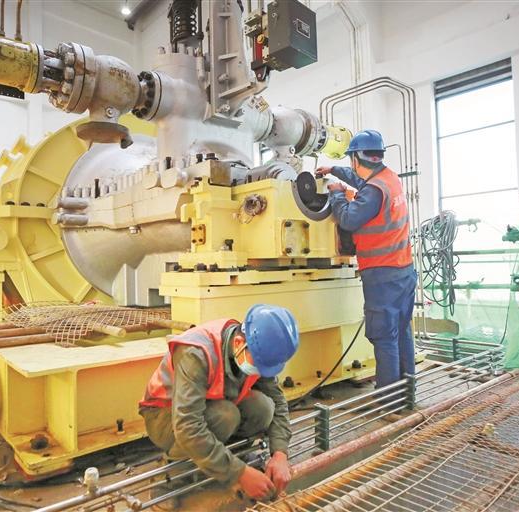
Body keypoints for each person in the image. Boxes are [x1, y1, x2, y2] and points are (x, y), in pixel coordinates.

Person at [139, 304, 299, 508]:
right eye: (260, 365)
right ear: (239, 343)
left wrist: (280, 453)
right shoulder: (196, 352)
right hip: (164, 416)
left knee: (263, 408)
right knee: (226, 415)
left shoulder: (256, 350)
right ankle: (169, 478)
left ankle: (234, 457)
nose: (261, 372)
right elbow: (188, 426)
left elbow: (277, 401)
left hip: (209, 408)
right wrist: (239, 474)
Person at [315, 129, 417, 392]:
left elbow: (349, 219)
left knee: (384, 336)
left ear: (355, 158)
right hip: (404, 270)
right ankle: (407, 391)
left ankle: (388, 399)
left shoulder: (372, 191)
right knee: (401, 331)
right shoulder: (388, 178)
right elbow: (361, 178)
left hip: (382, 275)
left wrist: (337, 194)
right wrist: (333, 170)